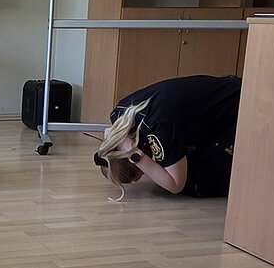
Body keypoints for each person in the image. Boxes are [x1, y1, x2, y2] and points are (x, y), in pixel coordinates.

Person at [94, 75, 242, 200]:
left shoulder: (157, 126)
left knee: (195, 182)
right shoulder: (119, 115)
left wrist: (134, 153)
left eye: (136, 175)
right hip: (228, 93)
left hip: (241, 108)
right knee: (170, 166)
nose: (140, 178)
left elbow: (176, 185)